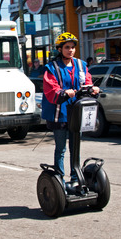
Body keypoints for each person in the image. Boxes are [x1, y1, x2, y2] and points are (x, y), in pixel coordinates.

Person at [41, 32, 99, 185]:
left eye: (73, 47)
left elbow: (87, 81)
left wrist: (92, 88)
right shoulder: (51, 68)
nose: (71, 50)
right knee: (61, 148)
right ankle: (59, 179)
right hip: (60, 114)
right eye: (67, 47)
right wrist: (62, 92)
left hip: (77, 112)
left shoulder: (81, 65)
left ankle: (75, 178)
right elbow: (51, 88)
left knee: (75, 148)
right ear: (59, 49)